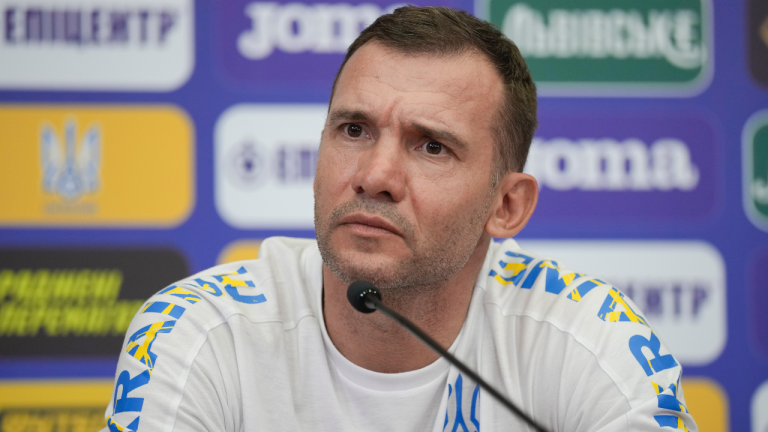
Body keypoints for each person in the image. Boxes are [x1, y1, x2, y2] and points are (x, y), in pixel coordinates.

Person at [102, 6, 697, 432]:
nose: (375, 175)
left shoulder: (588, 340)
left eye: (431, 146)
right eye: (354, 130)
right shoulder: (204, 331)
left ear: (506, 205)